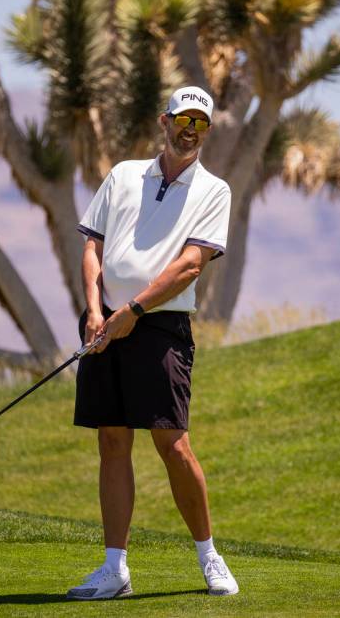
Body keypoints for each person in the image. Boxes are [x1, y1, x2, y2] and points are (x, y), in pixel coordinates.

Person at [67, 86, 239, 600]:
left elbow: (190, 265)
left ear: (206, 131)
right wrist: (97, 311)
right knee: (112, 440)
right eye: (183, 118)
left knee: (173, 443)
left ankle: (210, 557)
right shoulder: (123, 175)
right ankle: (114, 570)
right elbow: (93, 243)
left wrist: (134, 311)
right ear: (163, 121)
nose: (191, 129)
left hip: (160, 328)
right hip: (105, 324)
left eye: (201, 123)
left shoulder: (214, 190)